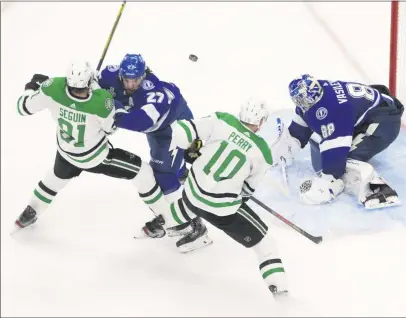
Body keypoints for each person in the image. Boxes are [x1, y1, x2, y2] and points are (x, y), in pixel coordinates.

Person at [137, 99, 289, 296]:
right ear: (260, 122)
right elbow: (247, 190)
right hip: (222, 208)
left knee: (191, 204)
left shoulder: (221, 120)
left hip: (193, 191)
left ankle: (155, 226)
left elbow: (183, 131)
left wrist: (193, 147)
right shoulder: (263, 152)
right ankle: (282, 294)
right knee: (266, 244)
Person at [14, 61, 172, 232]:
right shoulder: (101, 101)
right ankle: (170, 219)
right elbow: (110, 129)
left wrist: (32, 87)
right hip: (94, 157)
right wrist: (94, 83)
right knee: (143, 172)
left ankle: (31, 211)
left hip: (66, 152)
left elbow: (22, 107)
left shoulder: (52, 88)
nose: (80, 93)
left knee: (53, 180)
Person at [97, 54, 211, 246]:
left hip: (174, 128)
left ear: (143, 76)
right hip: (158, 131)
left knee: (162, 176)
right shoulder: (109, 74)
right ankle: (181, 172)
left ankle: (193, 225)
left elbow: (141, 122)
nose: (131, 84)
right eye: (127, 79)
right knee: (169, 166)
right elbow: (89, 83)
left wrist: (112, 107)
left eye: (136, 80)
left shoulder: (153, 91)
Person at [275, 74, 404, 209]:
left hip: (384, 123)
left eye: (306, 101)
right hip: (373, 110)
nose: (303, 104)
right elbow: (302, 123)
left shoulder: (334, 110)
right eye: (300, 101)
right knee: (330, 148)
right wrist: (289, 144)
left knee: (345, 162)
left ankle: (379, 191)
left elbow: (336, 153)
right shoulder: (315, 92)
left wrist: (329, 180)